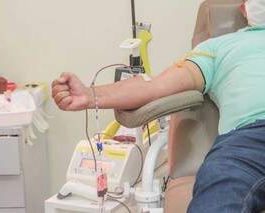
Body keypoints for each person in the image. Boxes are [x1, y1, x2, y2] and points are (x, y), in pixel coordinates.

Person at [52, 0, 265, 212]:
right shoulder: (217, 47)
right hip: (247, 144)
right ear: (243, 9)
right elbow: (154, 86)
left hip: (244, 145)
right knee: (220, 192)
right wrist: (89, 95)